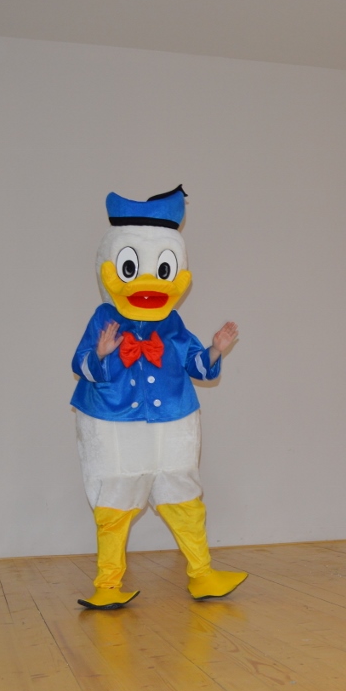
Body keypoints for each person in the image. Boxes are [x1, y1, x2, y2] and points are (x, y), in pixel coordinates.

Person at [72, 186, 247, 609]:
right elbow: (81, 363)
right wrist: (101, 354)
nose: (149, 281)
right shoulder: (104, 317)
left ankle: (202, 574)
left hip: (173, 418)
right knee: (115, 497)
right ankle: (107, 584)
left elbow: (196, 365)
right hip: (112, 419)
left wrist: (216, 349)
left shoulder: (173, 323)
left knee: (181, 491)